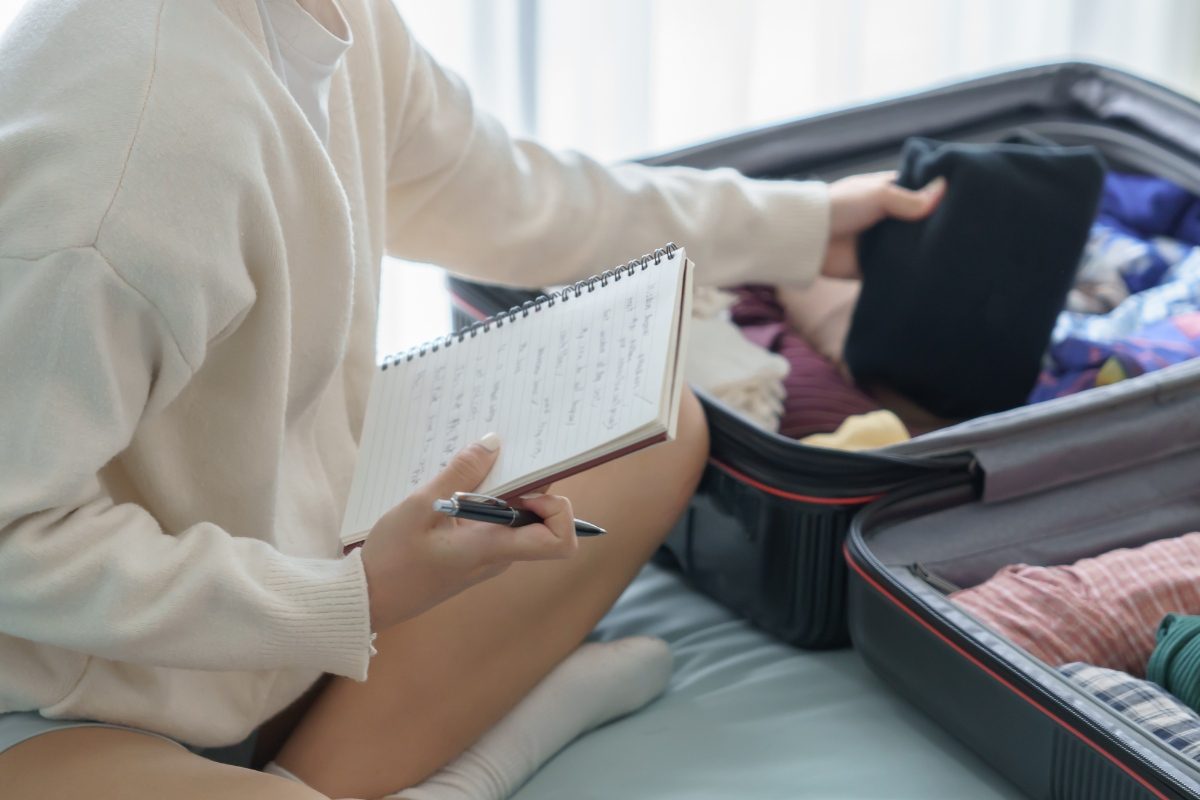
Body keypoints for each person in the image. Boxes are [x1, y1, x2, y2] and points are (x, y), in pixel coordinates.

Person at [0, 1, 943, 798]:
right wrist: (353, 596)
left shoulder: (331, 19)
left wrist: (806, 227)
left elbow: (504, 192)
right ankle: (466, 763)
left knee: (657, 426)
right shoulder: (127, 153)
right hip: (57, 694)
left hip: (271, 610)